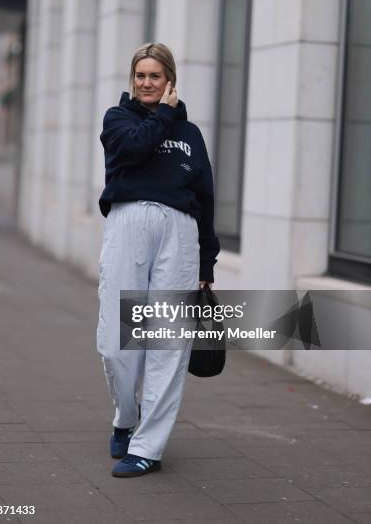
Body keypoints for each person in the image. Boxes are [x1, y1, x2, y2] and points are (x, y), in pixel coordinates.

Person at [97, 42, 220, 478]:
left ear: (170, 80)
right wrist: (164, 115)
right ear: (133, 80)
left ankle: (147, 446)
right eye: (140, 76)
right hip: (128, 223)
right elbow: (132, 151)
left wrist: (207, 264)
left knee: (168, 342)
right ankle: (125, 418)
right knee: (116, 342)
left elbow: (205, 199)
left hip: (181, 234)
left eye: (155, 76)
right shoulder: (119, 119)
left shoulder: (191, 135)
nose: (146, 83)